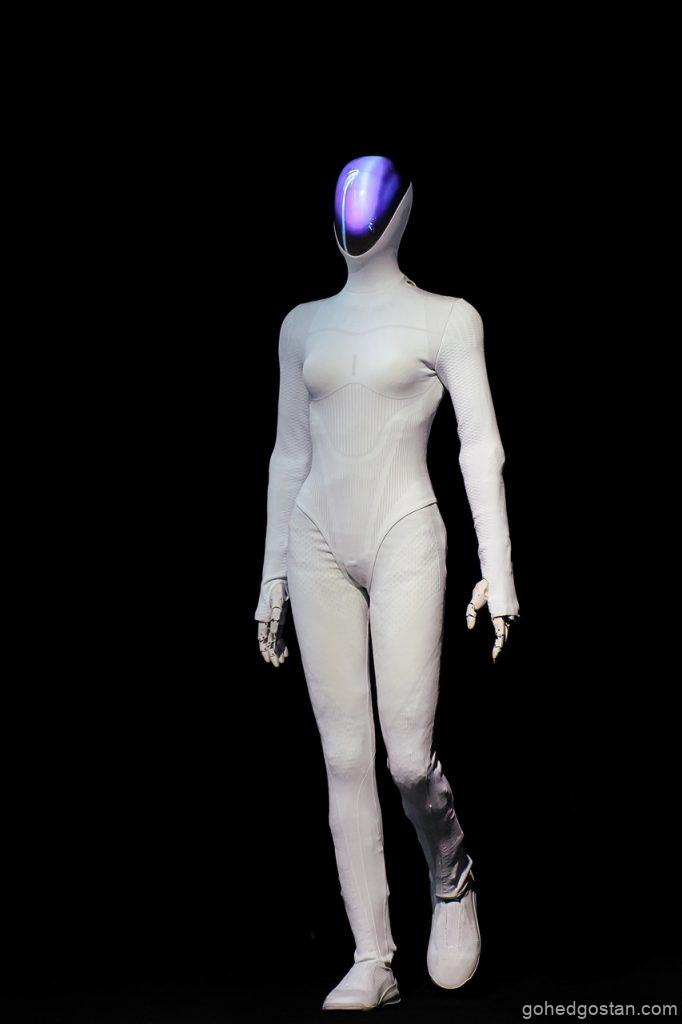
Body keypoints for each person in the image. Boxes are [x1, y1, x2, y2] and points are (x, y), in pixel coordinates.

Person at [255, 155, 520, 1011]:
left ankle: (452, 873)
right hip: (317, 537)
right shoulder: (302, 325)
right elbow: (289, 451)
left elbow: (479, 445)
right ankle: (372, 956)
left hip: (405, 528)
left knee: (407, 759)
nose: (358, 213)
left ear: (402, 211)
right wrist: (273, 572)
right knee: (342, 755)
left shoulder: (448, 319)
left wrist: (498, 568)